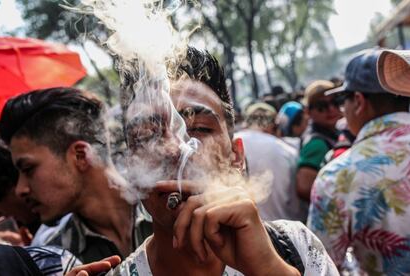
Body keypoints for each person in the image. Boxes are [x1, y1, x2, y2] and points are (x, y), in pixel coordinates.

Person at [87, 47, 338, 276]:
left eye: (199, 128)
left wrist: (269, 269)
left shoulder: (296, 248)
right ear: (130, 168)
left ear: (236, 156)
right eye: (148, 135)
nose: (176, 149)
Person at [0, 88, 148, 263]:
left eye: (28, 169)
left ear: (80, 156)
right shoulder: (52, 258)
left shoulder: (166, 205)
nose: (20, 189)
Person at [307, 48, 410, 274]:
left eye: (343, 100)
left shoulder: (338, 177)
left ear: (359, 101)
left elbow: (320, 268)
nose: (342, 110)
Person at [235, 103, 308, 222]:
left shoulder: (230, 143)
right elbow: (296, 205)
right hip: (281, 229)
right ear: (273, 126)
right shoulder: (288, 151)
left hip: (240, 226)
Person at [296, 80, 342, 202]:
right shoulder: (317, 144)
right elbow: (304, 187)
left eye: (335, 102)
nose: (331, 109)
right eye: (322, 106)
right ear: (308, 111)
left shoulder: (332, 133)